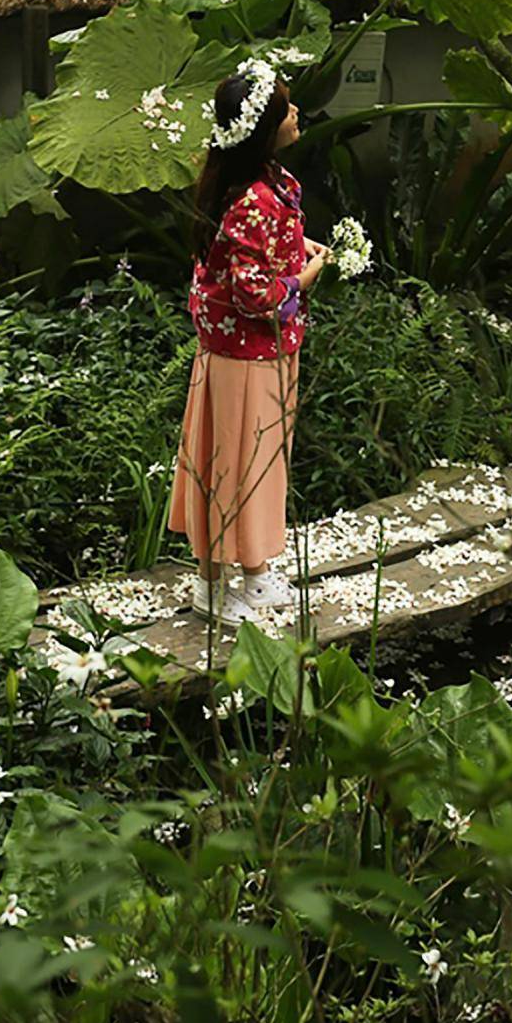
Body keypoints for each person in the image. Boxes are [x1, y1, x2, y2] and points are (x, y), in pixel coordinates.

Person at [168, 58, 331, 624]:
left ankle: (239, 573)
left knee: (240, 458)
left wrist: (299, 244)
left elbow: (257, 249)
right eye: (286, 108)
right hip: (246, 353)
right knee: (241, 462)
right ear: (265, 127)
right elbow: (255, 297)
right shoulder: (255, 199)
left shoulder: (263, 185)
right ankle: (231, 579)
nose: (295, 113)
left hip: (255, 351)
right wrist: (306, 277)